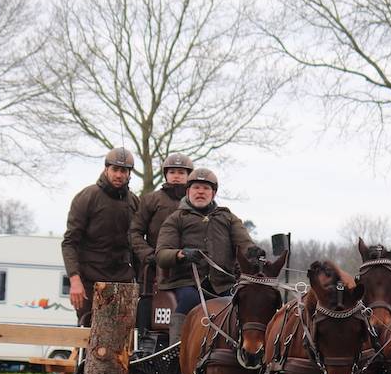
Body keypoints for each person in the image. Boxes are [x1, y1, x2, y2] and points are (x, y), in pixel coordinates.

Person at [155, 167, 259, 344]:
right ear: (188, 192)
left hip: (222, 283)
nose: (201, 192)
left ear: (214, 193)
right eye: (196, 188)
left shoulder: (228, 218)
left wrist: (253, 252)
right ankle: (177, 349)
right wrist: (181, 254)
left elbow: (245, 244)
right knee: (190, 299)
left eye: (206, 188)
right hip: (186, 282)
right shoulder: (176, 218)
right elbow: (162, 254)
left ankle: (245, 348)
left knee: (244, 301)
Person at [61, 146, 139, 325]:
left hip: (122, 280)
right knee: (89, 332)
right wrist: (74, 280)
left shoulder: (134, 202)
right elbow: (69, 242)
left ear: (129, 174)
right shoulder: (87, 196)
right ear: (106, 169)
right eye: (115, 169)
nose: (119, 175)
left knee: (120, 333)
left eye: (124, 171)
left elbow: (137, 245)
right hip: (89, 280)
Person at [129, 151, 194, 284]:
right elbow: (135, 232)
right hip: (155, 270)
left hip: (189, 270)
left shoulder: (196, 202)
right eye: (172, 172)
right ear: (166, 174)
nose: (176, 176)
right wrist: (149, 255)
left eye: (181, 173)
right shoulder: (151, 199)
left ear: (189, 176)